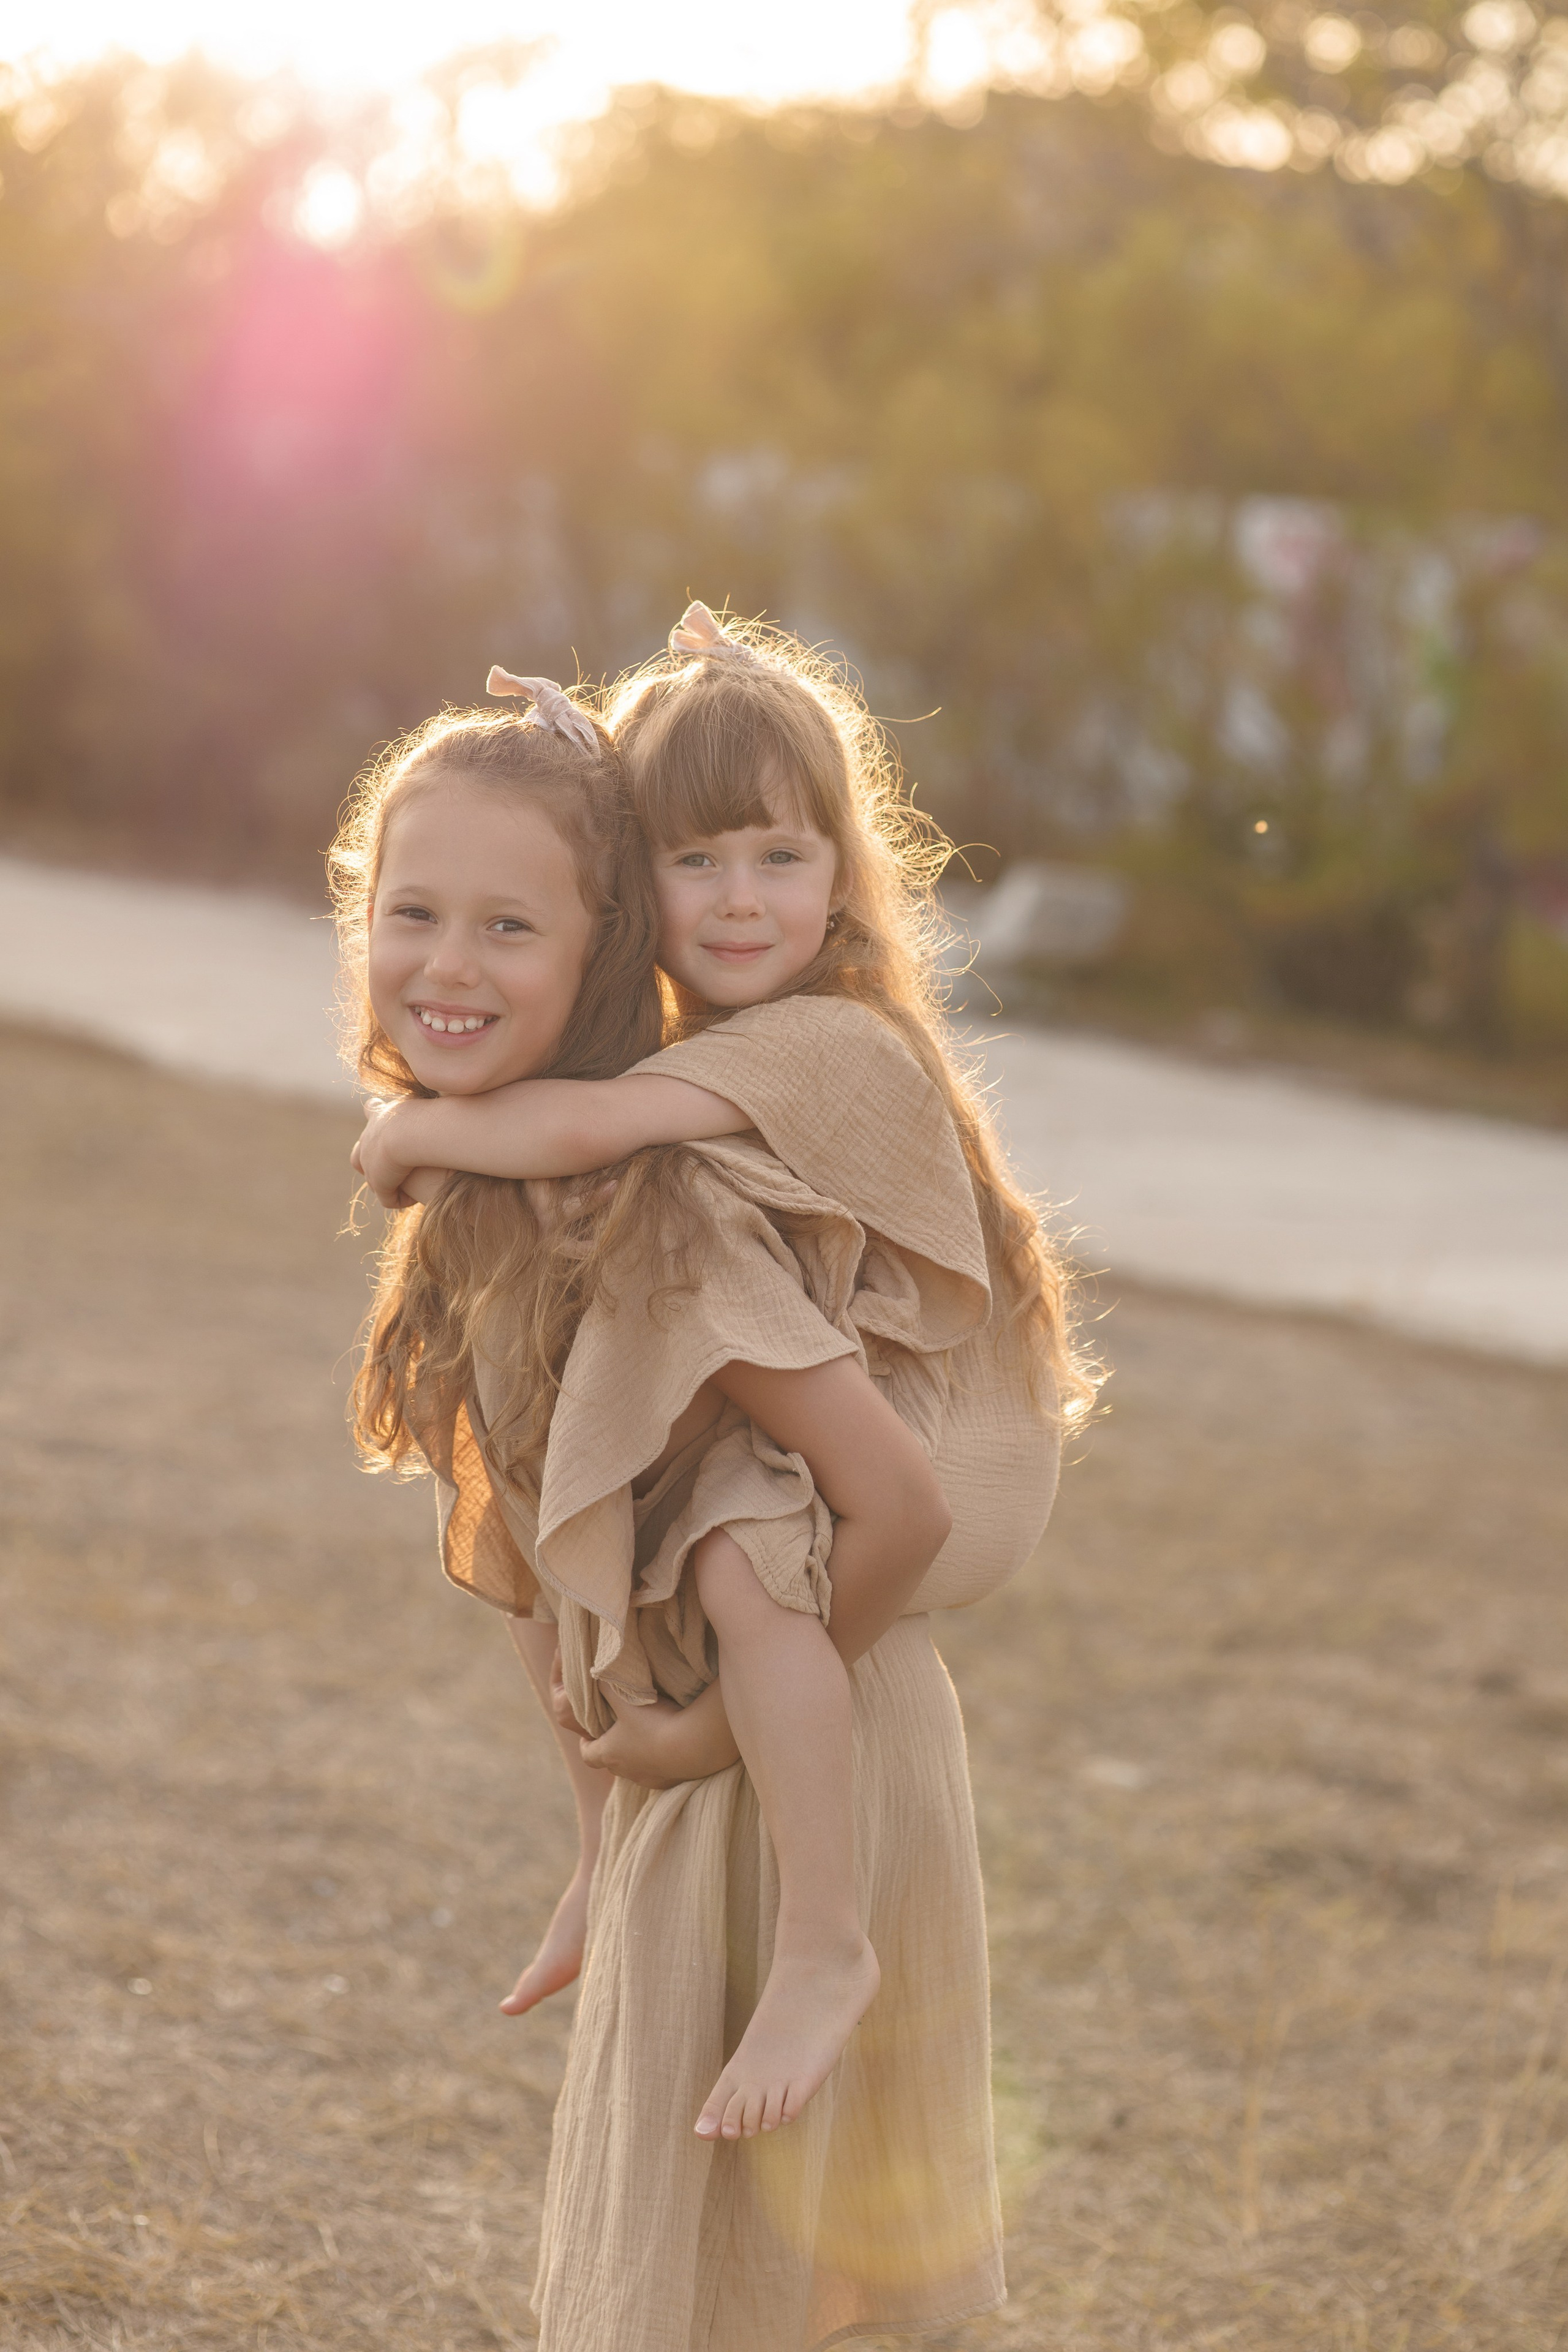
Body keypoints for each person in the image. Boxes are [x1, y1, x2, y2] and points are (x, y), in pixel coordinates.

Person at [350, 606, 1098, 2350]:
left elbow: (897, 1502)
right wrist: (607, 1831)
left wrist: (416, 1126)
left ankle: (824, 1943)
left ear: (846, 878)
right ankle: (621, 1868)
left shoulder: (754, 1107)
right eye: (697, 860)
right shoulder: (634, 1142)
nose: (744, 895)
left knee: (773, 2300)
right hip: (746, 1736)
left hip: (846, 1645)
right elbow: (548, 1551)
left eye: (783, 854)